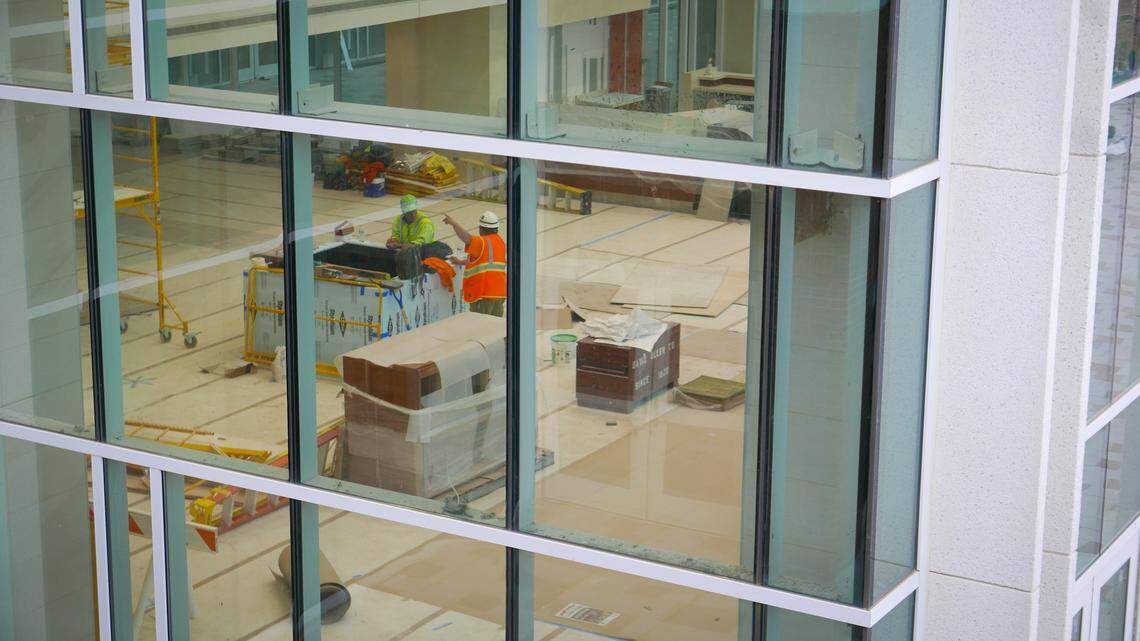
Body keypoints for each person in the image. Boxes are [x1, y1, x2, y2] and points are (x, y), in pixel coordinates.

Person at [445, 211, 506, 317]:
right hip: (499, 293)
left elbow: (467, 238)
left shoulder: (482, 241)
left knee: (481, 328)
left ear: (481, 228)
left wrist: (453, 223)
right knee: (495, 329)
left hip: (483, 295)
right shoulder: (500, 243)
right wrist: (460, 262)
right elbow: (485, 261)